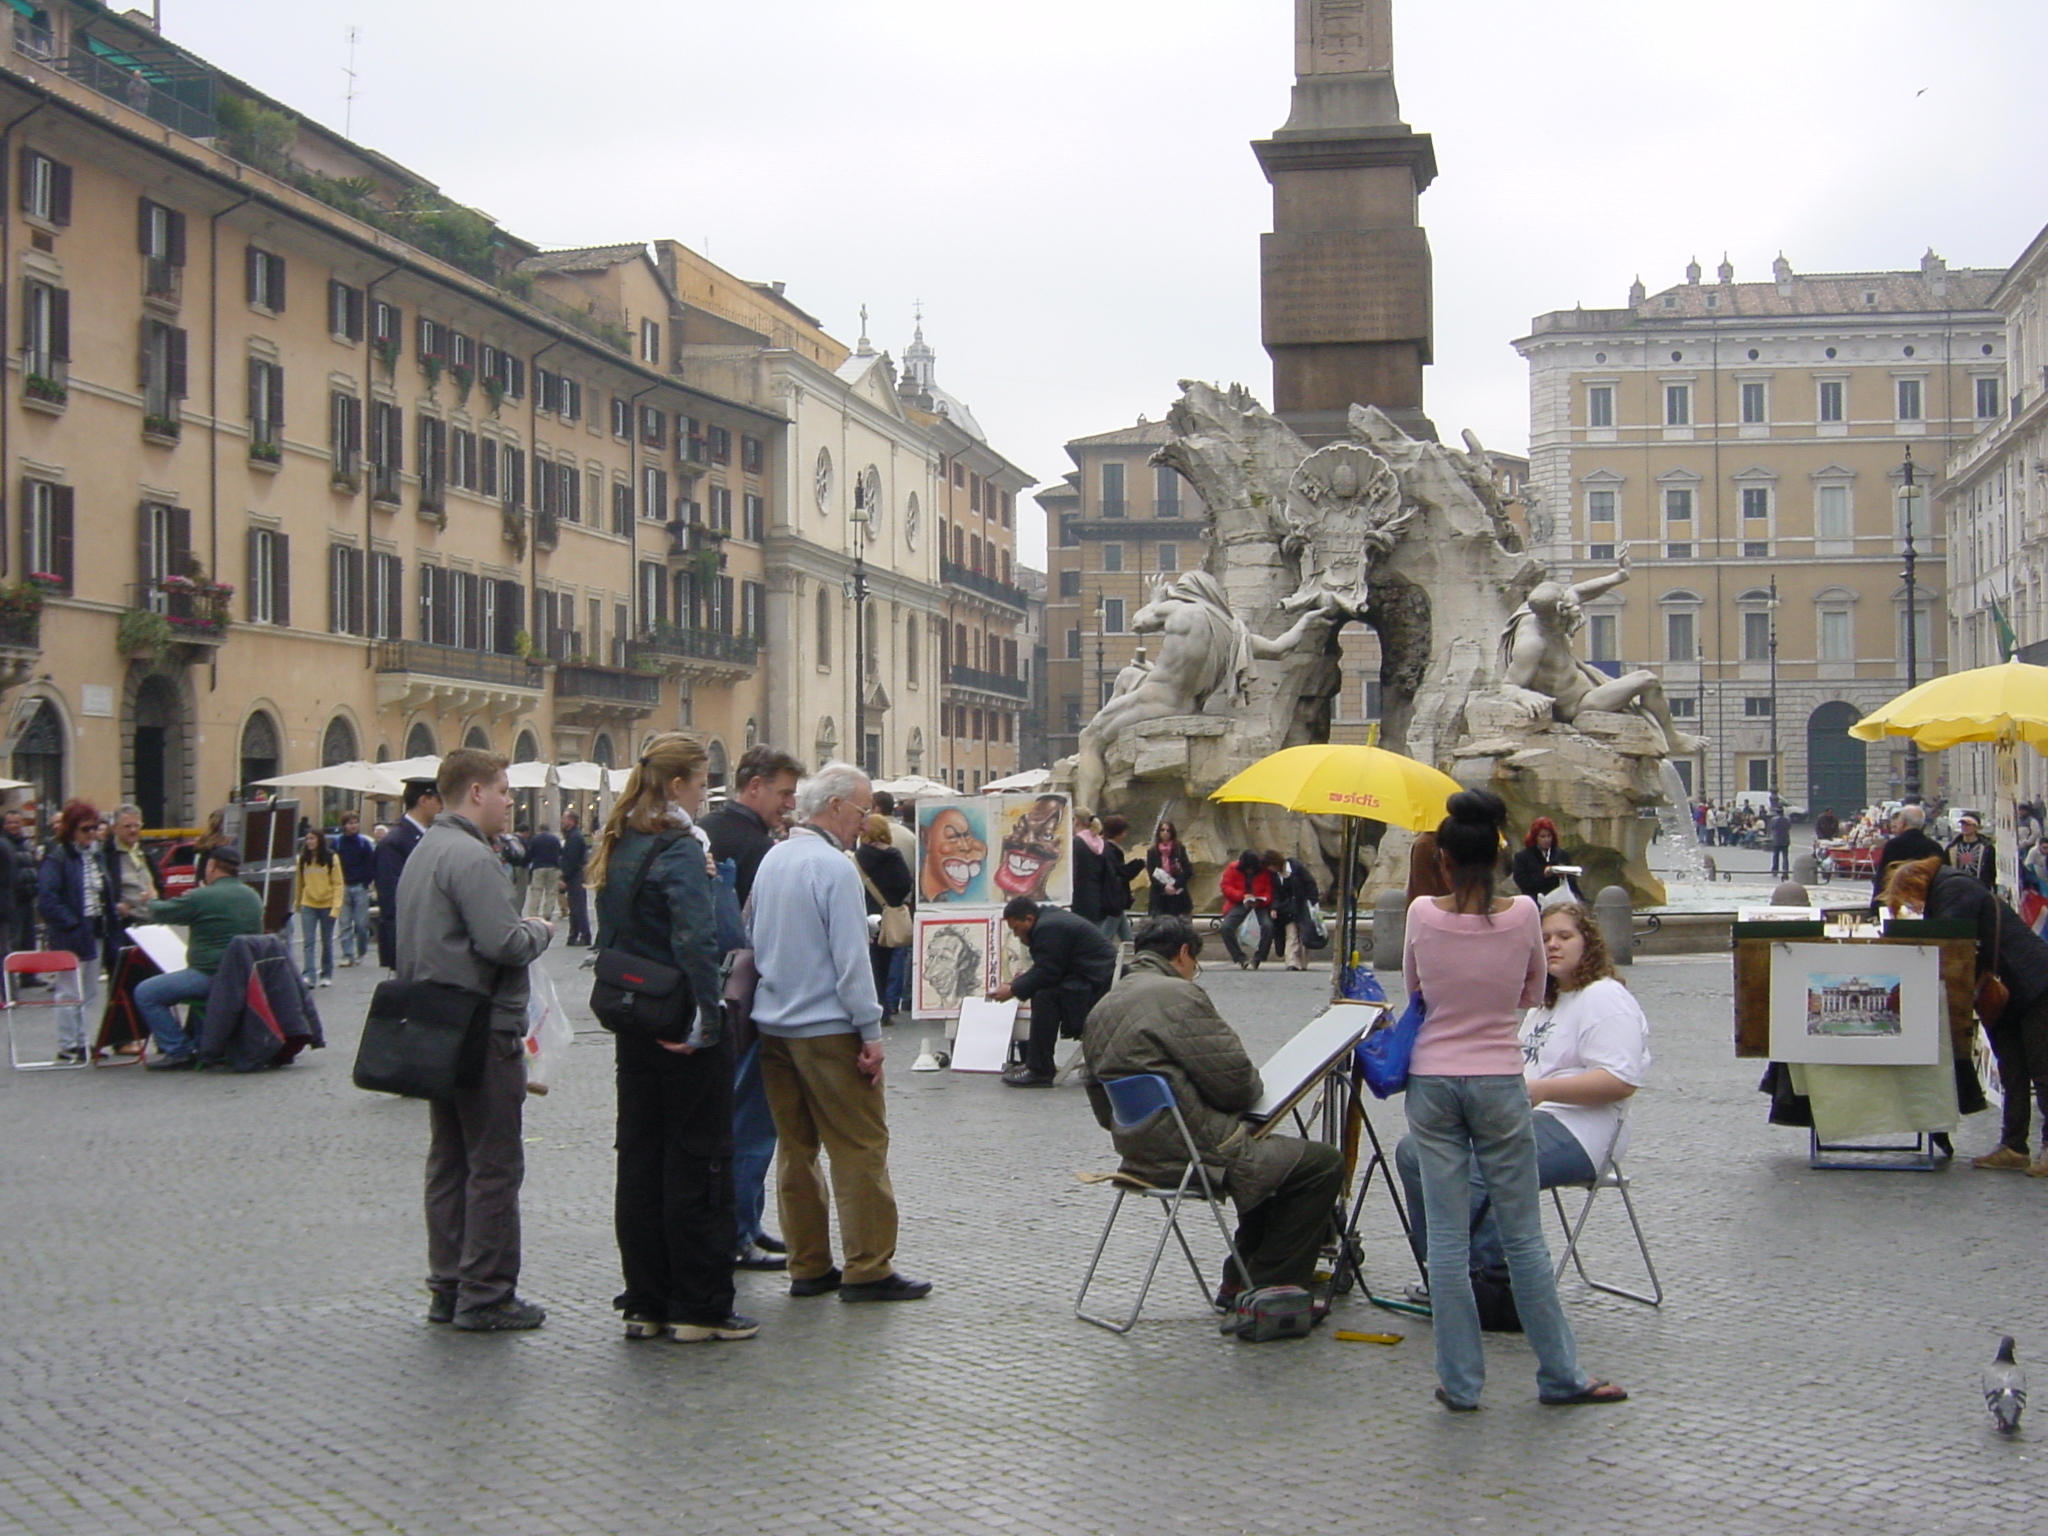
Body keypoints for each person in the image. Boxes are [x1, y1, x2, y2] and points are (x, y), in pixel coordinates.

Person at [1403, 788, 1626, 1411]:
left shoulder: (1421, 913)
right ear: (1499, 858)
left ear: (1444, 860)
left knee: (1446, 1243)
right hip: (1500, 1078)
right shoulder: (1525, 912)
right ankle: (1560, 1374)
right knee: (1524, 1238)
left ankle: (1461, 1383)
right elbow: (1532, 991)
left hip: (1433, 1081)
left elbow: (1414, 988)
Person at [1082, 915, 1345, 1308]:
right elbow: (1236, 1084)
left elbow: (1100, 1098)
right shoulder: (1176, 995)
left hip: (1138, 1152)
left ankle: (1240, 1279)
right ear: (1184, 953)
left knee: (1273, 1164)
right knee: (1321, 1163)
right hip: (1196, 1150)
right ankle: (1273, 1286)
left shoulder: (1104, 1004)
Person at [590, 732, 755, 1343]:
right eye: (704, 775)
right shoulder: (680, 846)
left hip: (634, 1016)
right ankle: (699, 1304)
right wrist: (708, 1021)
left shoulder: (620, 838)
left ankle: (646, 1299)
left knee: (640, 1158)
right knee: (701, 1159)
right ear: (682, 782)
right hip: (681, 1019)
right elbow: (698, 939)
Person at [749, 761, 930, 1303]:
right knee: (859, 1147)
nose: (866, 819)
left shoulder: (772, 859)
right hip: (826, 1028)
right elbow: (851, 962)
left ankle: (807, 1264)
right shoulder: (833, 868)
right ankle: (868, 1266)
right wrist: (870, 1032)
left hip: (774, 1025)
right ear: (834, 808)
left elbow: (752, 933)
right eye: (862, 808)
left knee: (796, 1149)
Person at [1396, 902, 1650, 1283]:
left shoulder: (1603, 997)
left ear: (1589, 943)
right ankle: (1444, 1268)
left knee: (1483, 1165)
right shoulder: (1543, 1005)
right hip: (1521, 1116)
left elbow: (1618, 1081)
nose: (1553, 946)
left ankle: (1491, 1279)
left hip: (1581, 1130)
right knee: (1416, 1152)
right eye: (1544, 938)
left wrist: (1541, 1090)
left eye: (1565, 937)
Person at [400, 749, 554, 1332]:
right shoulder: (471, 857)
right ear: (475, 793)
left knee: (449, 1159)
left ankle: (448, 1284)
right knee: (492, 1165)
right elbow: (503, 943)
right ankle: (486, 1293)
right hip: (482, 1025)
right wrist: (538, 930)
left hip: (436, 1020)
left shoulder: (424, 849)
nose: (512, 802)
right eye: (505, 791)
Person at [700, 746, 804, 1271]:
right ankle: (739, 1229)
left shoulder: (708, 830)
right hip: (749, 998)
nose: (788, 805)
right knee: (750, 1120)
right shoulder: (756, 846)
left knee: (740, 1118)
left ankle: (749, 1221)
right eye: (784, 793)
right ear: (754, 785)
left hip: (715, 998)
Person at [1884, 855, 2048, 1174]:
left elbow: (1946, 940)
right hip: (2008, 993)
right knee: (2014, 1071)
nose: (1913, 905)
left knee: (2043, 1071)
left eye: (1910, 899)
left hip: (2034, 985)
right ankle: (2013, 1147)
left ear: (1916, 884)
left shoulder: (1954, 888)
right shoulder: (1949, 889)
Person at [135, 847, 265, 1069]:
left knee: (146, 992)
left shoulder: (203, 896)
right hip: (244, 976)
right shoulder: (251, 895)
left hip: (209, 974)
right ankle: (200, 1042)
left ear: (211, 866)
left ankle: (178, 1050)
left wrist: (150, 899)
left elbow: (163, 912)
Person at [992, 895, 1118, 1088]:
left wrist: (1013, 989)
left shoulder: (1048, 927)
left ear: (1029, 919)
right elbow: (1050, 967)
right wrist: (1018, 984)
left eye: (1017, 928)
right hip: (1095, 981)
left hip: (1096, 987)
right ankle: (1037, 1065)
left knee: (1045, 997)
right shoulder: (1050, 920)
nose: (1016, 935)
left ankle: (1040, 1070)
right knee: (1044, 993)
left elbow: (1049, 972)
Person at [35, 802, 111, 1063]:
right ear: (70, 829)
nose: (91, 833)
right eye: (85, 829)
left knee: (89, 990)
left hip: (94, 926)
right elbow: (47, 898)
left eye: (95, 827)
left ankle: (81, 1040)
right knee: (69, 989)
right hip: (72, 930)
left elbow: (102, 891)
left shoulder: (95, 855)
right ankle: (68, 1043)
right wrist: (71, 923)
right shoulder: (57, 857)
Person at [373, 779, 441, 969]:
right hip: (409, 941)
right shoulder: (394, 843)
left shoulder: (430, 836)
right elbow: (391, 899)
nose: (443, 806)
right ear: (424, 800)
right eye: (439, 800)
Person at [854, 813, 914, 1018]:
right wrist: (894, 901)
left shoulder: (860, 855)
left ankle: (876, 1005)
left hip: (867, 911)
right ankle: (889, 1004)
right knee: (891, 959)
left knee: (871, 963)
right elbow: (905, 882)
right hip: (890, 913)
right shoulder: (893, 854)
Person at [290, 826, 343, 988]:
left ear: (319, 840)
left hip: (327, 904)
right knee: (308, 942)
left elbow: (338, 884)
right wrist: (297, 903)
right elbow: (299, 883)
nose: (309, 842)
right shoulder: (303, 860)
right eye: (307, 839)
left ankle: (326, 973)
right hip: (309, 904)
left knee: (326, 941)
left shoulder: (331, 858)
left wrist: (336, 907)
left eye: (312, 839)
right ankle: (309, 975)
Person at [1871, 804, 1944, 902]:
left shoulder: (1894, 845)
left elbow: (1883, 876)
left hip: (1898, 899)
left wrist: (1876, 902)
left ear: (1903, 823)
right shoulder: (1934, 847)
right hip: (1926, 900)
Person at [333, 812, 376, 967]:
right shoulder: (337, 843)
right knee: (344, 923)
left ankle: (361, 950)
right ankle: (347, 954)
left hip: (360, 886)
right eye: (350, 823)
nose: (353, 826)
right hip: (343, 886)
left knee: (361, 924)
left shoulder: (363, 844)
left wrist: (366, 881)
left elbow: (370, 864)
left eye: (355, 822)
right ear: (344, 825)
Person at [1218, 849, 1274, 969]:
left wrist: (1262, 900)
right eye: (1247, 869)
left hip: (1260, 904)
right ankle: (1240, 958)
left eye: (1252, 869)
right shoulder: (1232, 868)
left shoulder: (1264, 870)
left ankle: (1258, 957)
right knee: (1226, 927)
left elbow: (1270, 889)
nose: (1250, 871)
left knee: (1268, 926)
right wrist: (1242, 896)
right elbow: (1225, 887)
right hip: (1239, 903)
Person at [1271, 850, 1323, 971]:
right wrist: (1275, 907)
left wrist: (1312, 902)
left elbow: (1310, 884)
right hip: (1287, 909)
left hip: (1302, 907)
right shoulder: (1275, 875)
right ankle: (1292, 963)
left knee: (1304, 935)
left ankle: (1303, 962)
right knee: (1291, 934)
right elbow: (1276, 893)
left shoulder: (1296, 868)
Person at [1097, 814, 1143, 941]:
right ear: (1120, 833)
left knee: (1127, 937)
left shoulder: (1102, 847)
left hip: (1113, 901)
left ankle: (1132, 956)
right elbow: (1122, 874)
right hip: (1113, 901)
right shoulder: (1110, 850)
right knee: (1104, 939)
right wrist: (1139, 864)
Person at [1510, 819, 1578, 903]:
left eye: (1549, 836)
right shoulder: (1522, 856)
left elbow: (1572, 883)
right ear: (1535, 838)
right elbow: (1522, 882)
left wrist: (1563, 876)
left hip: (1558, 901)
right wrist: (1543, 875)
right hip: (1534, 901)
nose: (1546, 840)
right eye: (1542, 836)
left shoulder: (1562, 855)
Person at [3, 807, 37, 957]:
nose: (13, 826)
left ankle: (28, 975)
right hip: (13, 899)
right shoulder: (3, 845)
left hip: (28, 897)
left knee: (29, 939)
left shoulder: (26, 843)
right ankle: (14, 976)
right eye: (10, 823)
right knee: (14, 939)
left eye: (16, 822)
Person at [1145, 818, 1194, 917]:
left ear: (1172, 832)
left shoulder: (1179, 849)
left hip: (1178, 895)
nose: (1165, 833)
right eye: (1162, 830)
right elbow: (1151, 874)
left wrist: (1175, 885)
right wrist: (1164, 887)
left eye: (1168, 830)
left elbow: (1188, 870)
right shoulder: (1152, 852)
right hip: (1159, 896)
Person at [558, 811, 591, 947]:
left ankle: (584, 935)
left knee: (578, 907)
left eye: (564, 818)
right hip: (576, 874)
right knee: (575, 906)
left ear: (571, 821)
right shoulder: (574, 835)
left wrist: (564, 877)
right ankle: (574, 934)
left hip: (576, 875)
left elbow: (570, 860)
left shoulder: (574, 837)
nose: (561, 821)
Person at [524, 822, 563, 921]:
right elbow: (560, 853)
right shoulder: (555, 839)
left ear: (539, 830)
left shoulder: (535, 839)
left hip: (538, 867)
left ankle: (533, 913)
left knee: (536, 891)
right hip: (553, 867)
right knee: (551, 892)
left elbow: (529, 854)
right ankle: (547, 914)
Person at [1947, 812, 1997, 889]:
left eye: (1968, 824)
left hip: (1979, 888)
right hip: (1958, 888)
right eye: (1963, 824)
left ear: (1976, 827)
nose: (1964, 827)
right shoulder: (1952, 847)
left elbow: (1991, 871)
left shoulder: (1986, 848)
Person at [1767, 808, 1793, 878]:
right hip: (1785, 839)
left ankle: (1775, 870)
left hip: (1776, 840)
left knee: (1776, 856)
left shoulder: (1773, 820)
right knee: (1785, 857)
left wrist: (1769, 835)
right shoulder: (1787, 819)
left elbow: (1771, 828)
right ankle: (1785, 871)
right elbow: (1789, 827)